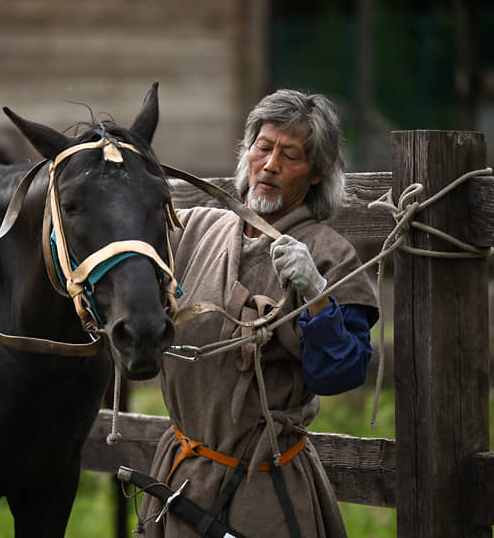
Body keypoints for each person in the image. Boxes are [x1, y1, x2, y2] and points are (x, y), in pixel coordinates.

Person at [135, 89, 379, 537]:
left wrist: (317, 292)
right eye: (263, 147)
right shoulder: (193, 229)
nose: (270, 165)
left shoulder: (329, 256)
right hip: (181, 475)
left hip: (265, 488)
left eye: (290, 155)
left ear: (318, 173)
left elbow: (341, 373)